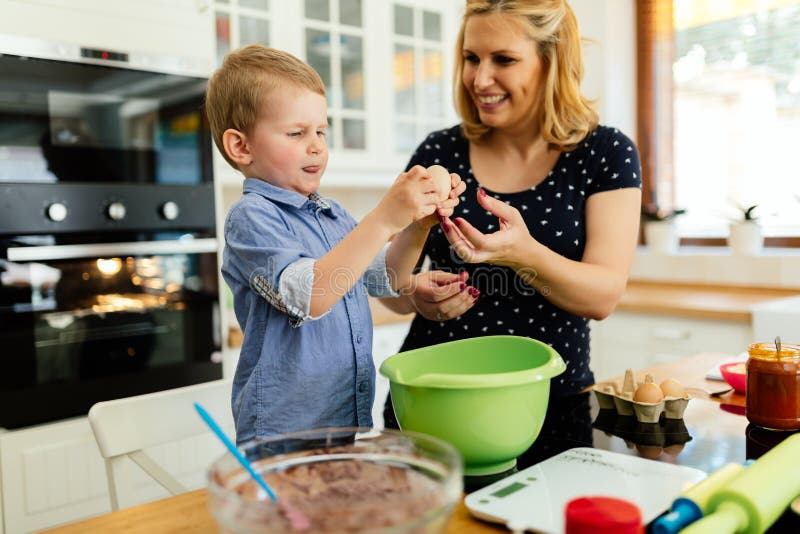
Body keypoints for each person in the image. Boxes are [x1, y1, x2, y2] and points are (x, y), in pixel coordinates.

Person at [381, 0, 642, 459]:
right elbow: (390, 289)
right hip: (430, 406)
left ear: (552, 60)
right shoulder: (439, 149)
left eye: (503, 59)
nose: (481, 79)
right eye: (471, 58)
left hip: (546, 409)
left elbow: (602, 295)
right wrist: (414, 294)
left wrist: (524, 254)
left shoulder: (605, 152)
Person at [206, 45, 465, 443]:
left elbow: (386, 279)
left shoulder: (332, 214)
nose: (316, 146)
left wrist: (418, 226)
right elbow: (311, 295)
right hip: (283, 435)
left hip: (340, 427)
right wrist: (384, 218)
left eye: (320, 132)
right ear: (241, 147)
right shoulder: (252, 218)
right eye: (296, 133)